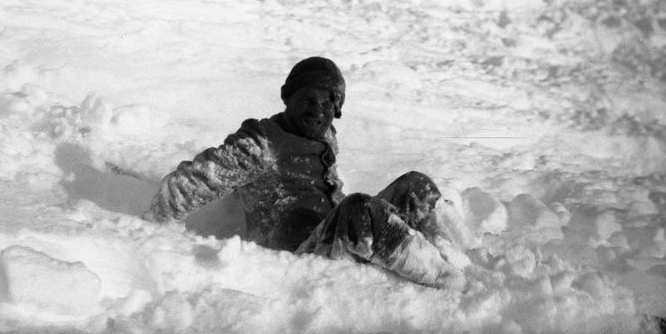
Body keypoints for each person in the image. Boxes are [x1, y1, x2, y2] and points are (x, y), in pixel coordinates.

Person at [143, 57, 464, 288]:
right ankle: (447, 282)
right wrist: (152, 237)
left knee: (416, 187)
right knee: (361, 210)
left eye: (328, 104)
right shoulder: (261, 142)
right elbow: (190, 183)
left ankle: (452, 258)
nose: (317, 111)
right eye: (307, 99)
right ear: (288, 97)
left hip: (334, 238)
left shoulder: (323, 137)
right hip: (301, 260)